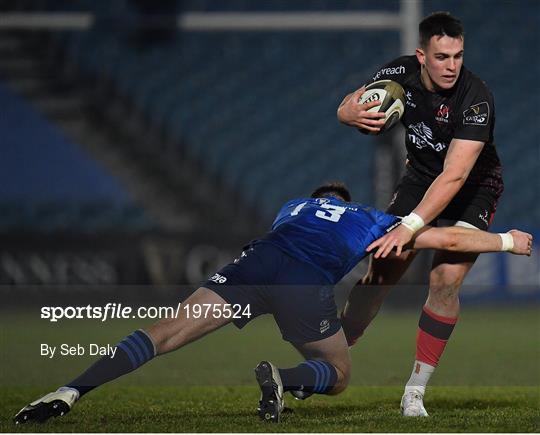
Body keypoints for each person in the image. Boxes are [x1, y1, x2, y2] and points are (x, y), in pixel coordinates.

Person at [14, 183, 531, 425]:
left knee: (163, 332)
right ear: (344, 199)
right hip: (302, 283)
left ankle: (70, 390)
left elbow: (312, 210)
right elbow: (449, 239)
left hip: (254, 262)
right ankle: (287, 380)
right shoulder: (370, 218)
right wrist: (506, 241)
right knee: (338, 371)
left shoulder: (292, 205)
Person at [337, 11, 506, 416]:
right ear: (421, 55)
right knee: (381, 271)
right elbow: (349, 104)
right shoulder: (400, 72)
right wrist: (348, 113)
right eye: (442, 57)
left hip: (473, 188)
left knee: (445, 279)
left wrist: (410, 226)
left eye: (458, 56)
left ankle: (414, 392)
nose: (452, 66)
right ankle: (330, 357)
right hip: (420, 177)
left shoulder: (475, 98)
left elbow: (455, 176)